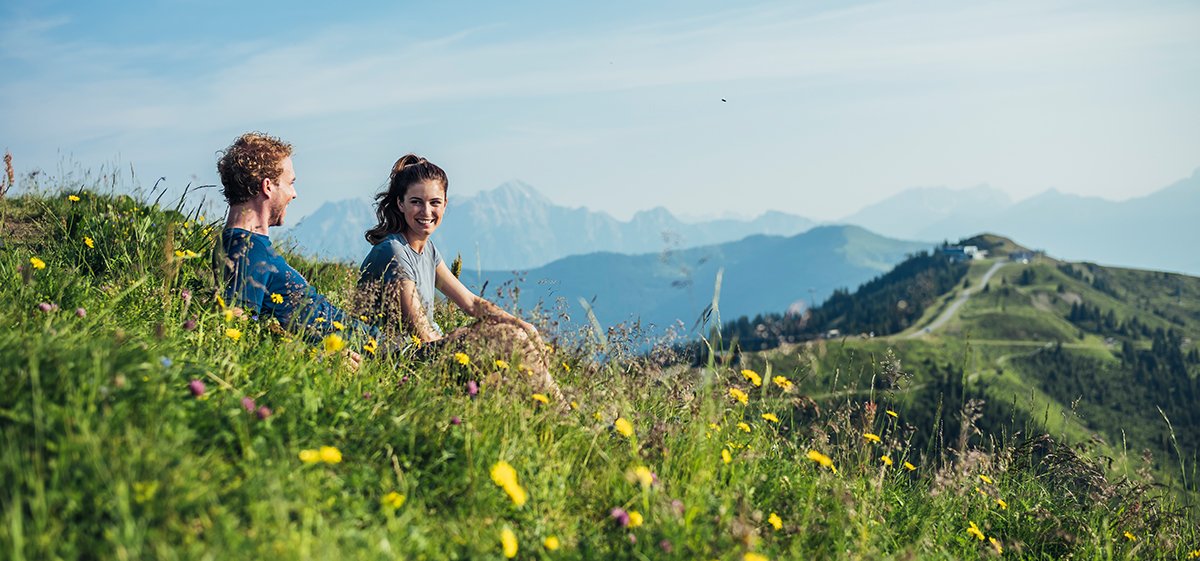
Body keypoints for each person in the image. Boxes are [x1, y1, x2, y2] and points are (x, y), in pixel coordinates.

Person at [357, 155, 560, 397]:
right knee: (510, 343)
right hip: (399, 363)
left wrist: (525, 326)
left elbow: (472, 303)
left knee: (515, 354)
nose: (426, 211)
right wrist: (470, 340)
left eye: (434, 202)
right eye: (416, 202)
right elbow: (421, 333)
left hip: (425, 353)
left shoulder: (427, 250)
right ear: (400, 204)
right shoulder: (393, 252)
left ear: (445, 204)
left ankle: (557, 419)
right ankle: (565, 418)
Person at [216, 132, 376, 366]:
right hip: (368, 352)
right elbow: (238, 329)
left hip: (369, 340)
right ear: (268, 187)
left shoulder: (247, 245)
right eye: (291, 183)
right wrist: (320, 358)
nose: (294, 193)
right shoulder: (244, 248)